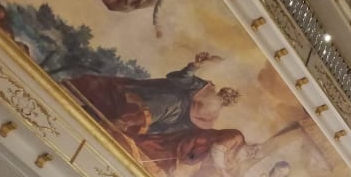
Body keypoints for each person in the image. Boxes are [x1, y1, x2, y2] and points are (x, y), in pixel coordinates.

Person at [66, 52, 239, 137]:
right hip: (168, 116)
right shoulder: (212, 113)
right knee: (170, 101)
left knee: (172, 101)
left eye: (229, 94)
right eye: (229, 93)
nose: (227, 94)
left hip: (171, 112)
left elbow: (180, 79)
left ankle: (125, 122)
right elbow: (180, 81)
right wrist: (194, 66)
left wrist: (194, 67)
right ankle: (124, 121)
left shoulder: (207, 91)